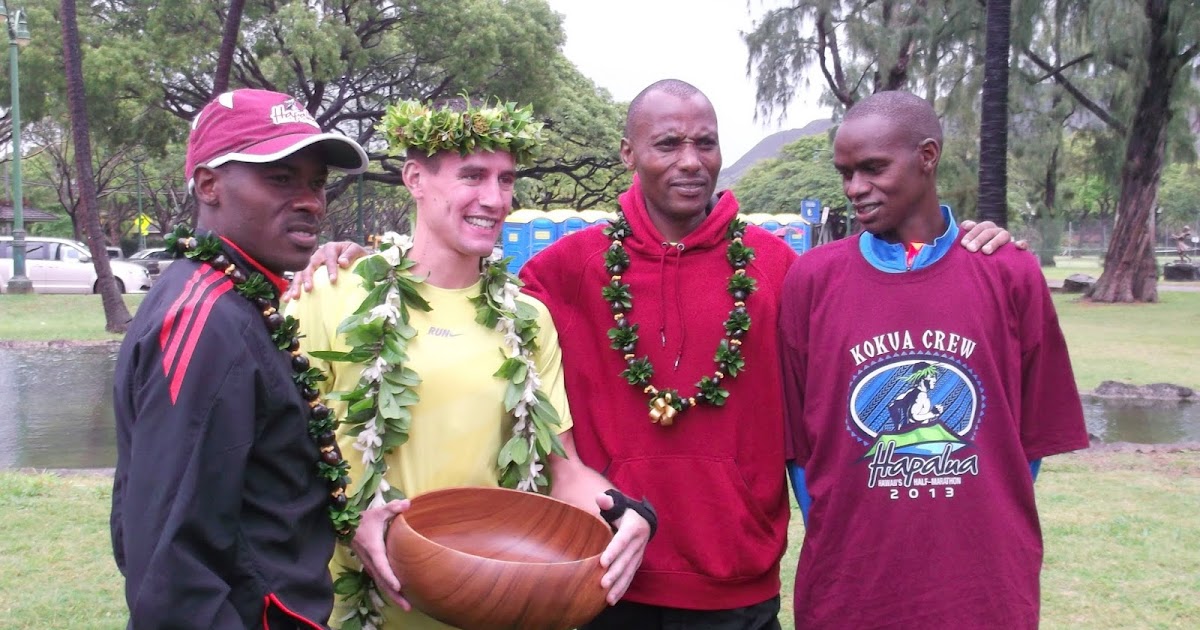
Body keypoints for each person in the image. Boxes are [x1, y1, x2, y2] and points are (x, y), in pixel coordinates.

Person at [289, 79, 1015, 629]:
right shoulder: (560, 274)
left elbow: (883, 302)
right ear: (629, 154)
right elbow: (456, 281)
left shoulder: (780, 267)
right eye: (668, 143)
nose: (691, 161)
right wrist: (356, 257)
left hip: (740, 583)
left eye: (705, 142)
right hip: (600, 581)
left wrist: (962, 239)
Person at [284, 97, 653, 630]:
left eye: (505, 180)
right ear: (415, 178)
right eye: (473, 176)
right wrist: (347, 512)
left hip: (491, 602)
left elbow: (561, 467)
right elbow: (280, 451)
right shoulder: (332, 293)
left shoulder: (527, 319)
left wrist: (625, 512)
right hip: (357, 610)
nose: (495, 198)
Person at [779, 90, 1089, 629]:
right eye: (846, 173)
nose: (856, 189)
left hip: (983, 590)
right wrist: (838, 525)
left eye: (874, 169)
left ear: (927, 157)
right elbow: (798, 446)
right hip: (848, 588)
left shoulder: (1008, 272)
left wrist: (973, 511)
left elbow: (1030, 441)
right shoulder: (813, 279)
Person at [110, 88, 370, 628]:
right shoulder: (205, 317)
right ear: (209, 185)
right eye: (280, 178)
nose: (310, 201)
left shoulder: (243, 297)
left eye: (317, 183)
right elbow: (168, 563)